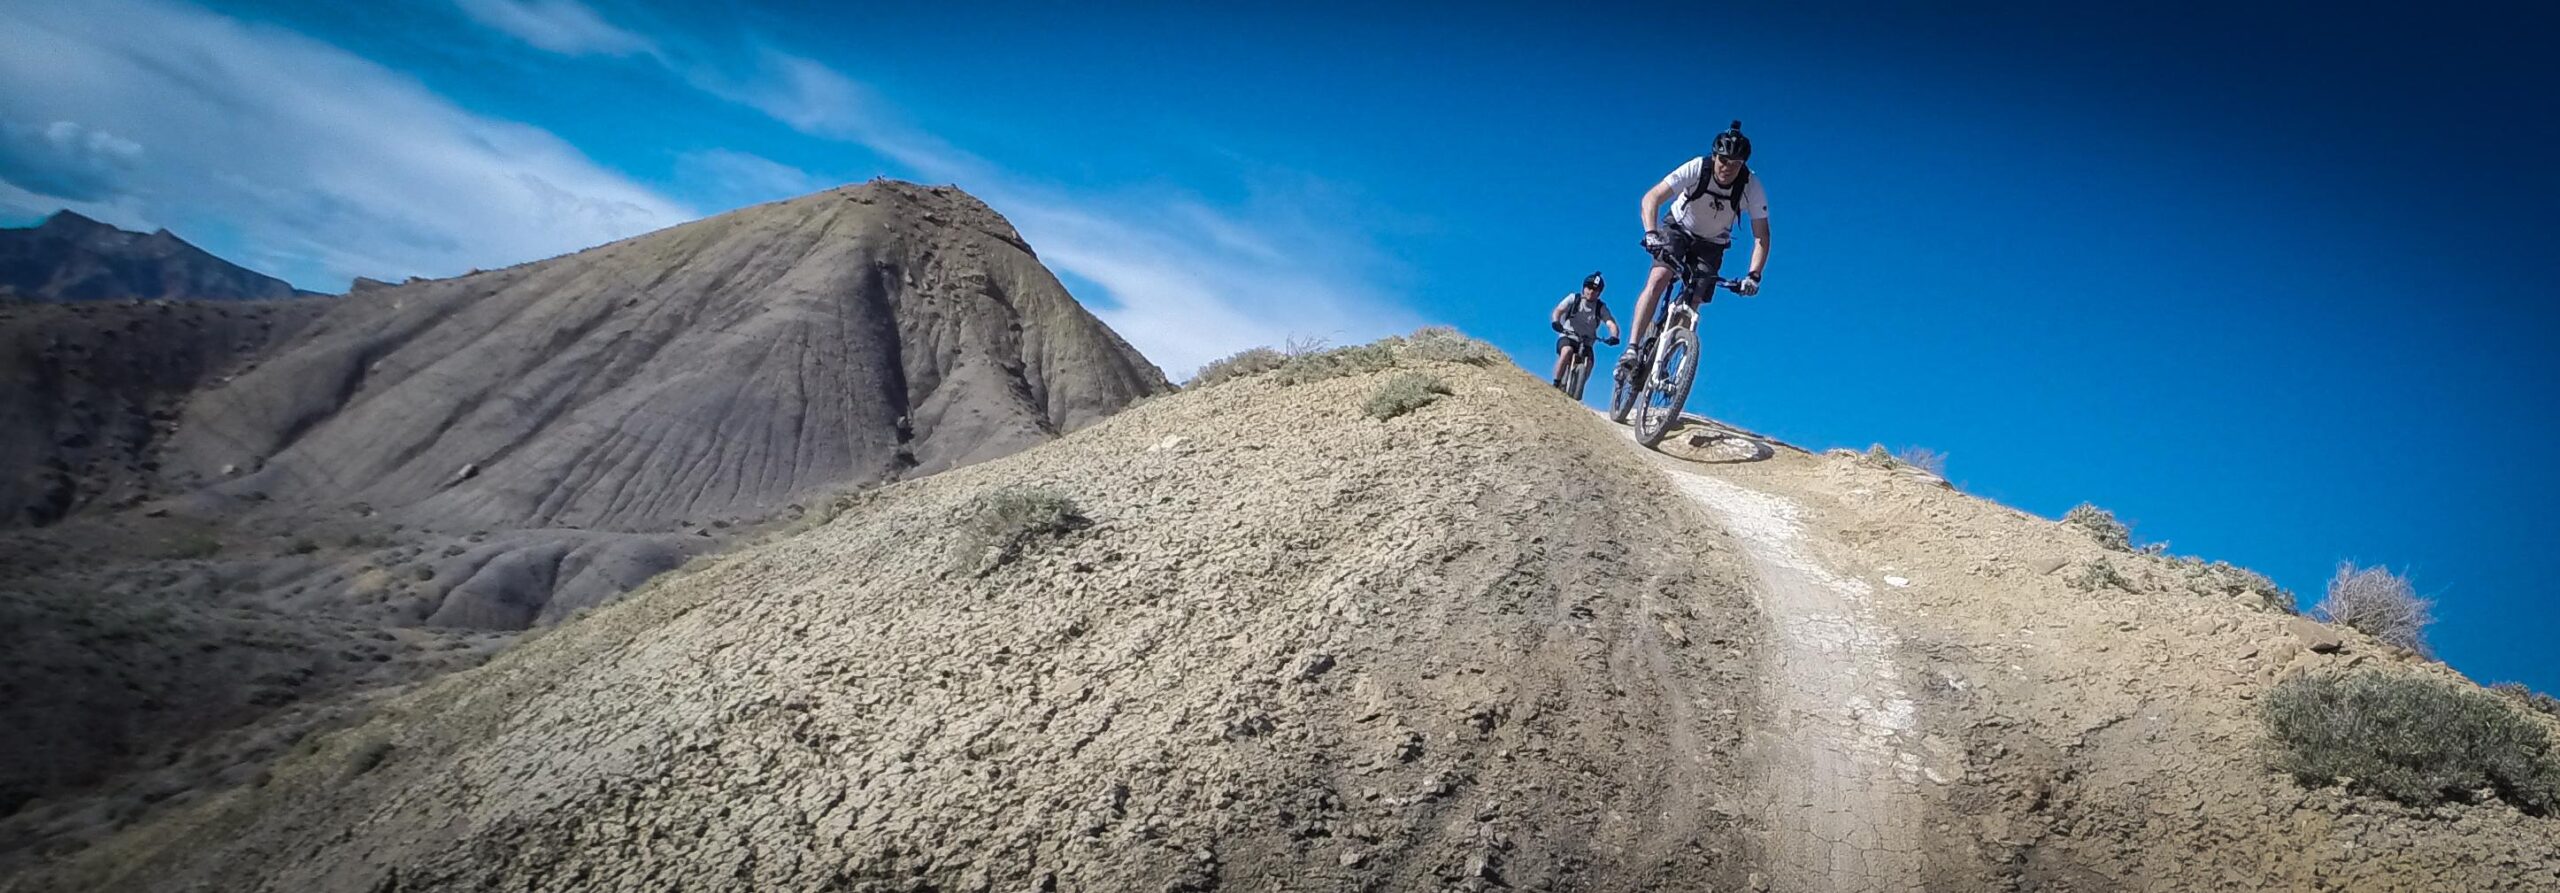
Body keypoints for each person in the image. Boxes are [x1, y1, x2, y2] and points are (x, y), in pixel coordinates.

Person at [1621, 120, 1770, 365]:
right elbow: (1652, 197)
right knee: (1659, 278)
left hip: (1712, 243)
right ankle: (1632, 348)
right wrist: (1651, 233)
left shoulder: (1751, 186)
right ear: (1715, 156)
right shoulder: (1698, 168)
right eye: (1723, 160)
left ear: (1743, 164)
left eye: (1735, 163)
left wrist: (1754, 275)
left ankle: (1662, 361)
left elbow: (1762, 236)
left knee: (1694, 302)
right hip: (1678, 228)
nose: (1727, 168)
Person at [1550, 271, 1621, 392]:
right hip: (1568, 335)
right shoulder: (1574, 298)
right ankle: (1556, 383)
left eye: (1595, 290)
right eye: (1589, 287)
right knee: (1567, 351)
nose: (1591, 291)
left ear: (1599, 293)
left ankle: (1577, 388)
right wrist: (1556, 321)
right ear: (1583, 287)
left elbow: (1610, 322)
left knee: (1589, 363)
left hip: (1586, 342)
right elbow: (1558, 310)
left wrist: (1614, 336)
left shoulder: (1600, 308)